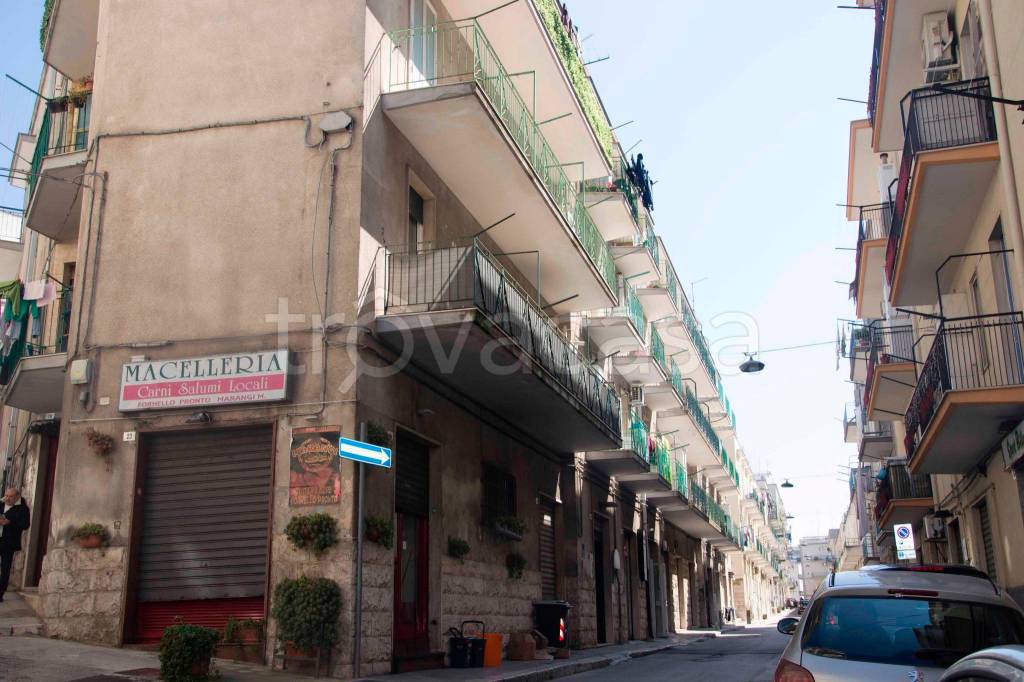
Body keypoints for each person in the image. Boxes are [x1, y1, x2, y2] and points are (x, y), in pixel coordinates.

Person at [0, 487, 30, 602]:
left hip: (9, 542)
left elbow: (25, 525)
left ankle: (0, 593)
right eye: (6, 495)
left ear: (17, 497)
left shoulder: (22, 509)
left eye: (10, 496)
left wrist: (9, 523)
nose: (7, 498)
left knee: (5, 569)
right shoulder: (1, 504)